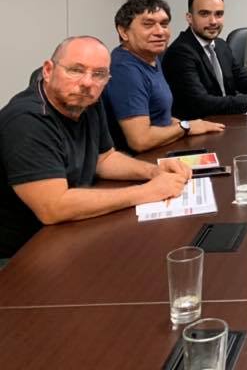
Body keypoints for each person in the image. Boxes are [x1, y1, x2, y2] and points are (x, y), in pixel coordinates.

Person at [0, 37, 191, 261]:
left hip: (66, 232)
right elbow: (53, 207)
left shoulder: (88, 102)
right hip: (19, 254)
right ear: (48, 71)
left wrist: (154, 171)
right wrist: (147, 192)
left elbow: (104, 158)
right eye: (75, 70)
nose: (87, 83)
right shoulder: (27, 120)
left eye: (99, 74)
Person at [104, 0, 224, 153]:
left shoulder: (152, 57)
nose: (160, 32)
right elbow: (140, 141)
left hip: (163, 147)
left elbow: (161, 117)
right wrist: (186, 127)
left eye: (164, 24)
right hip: (140, 158)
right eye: (148, 25)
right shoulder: (124, 69)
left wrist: (188, 125)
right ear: (124, 31)